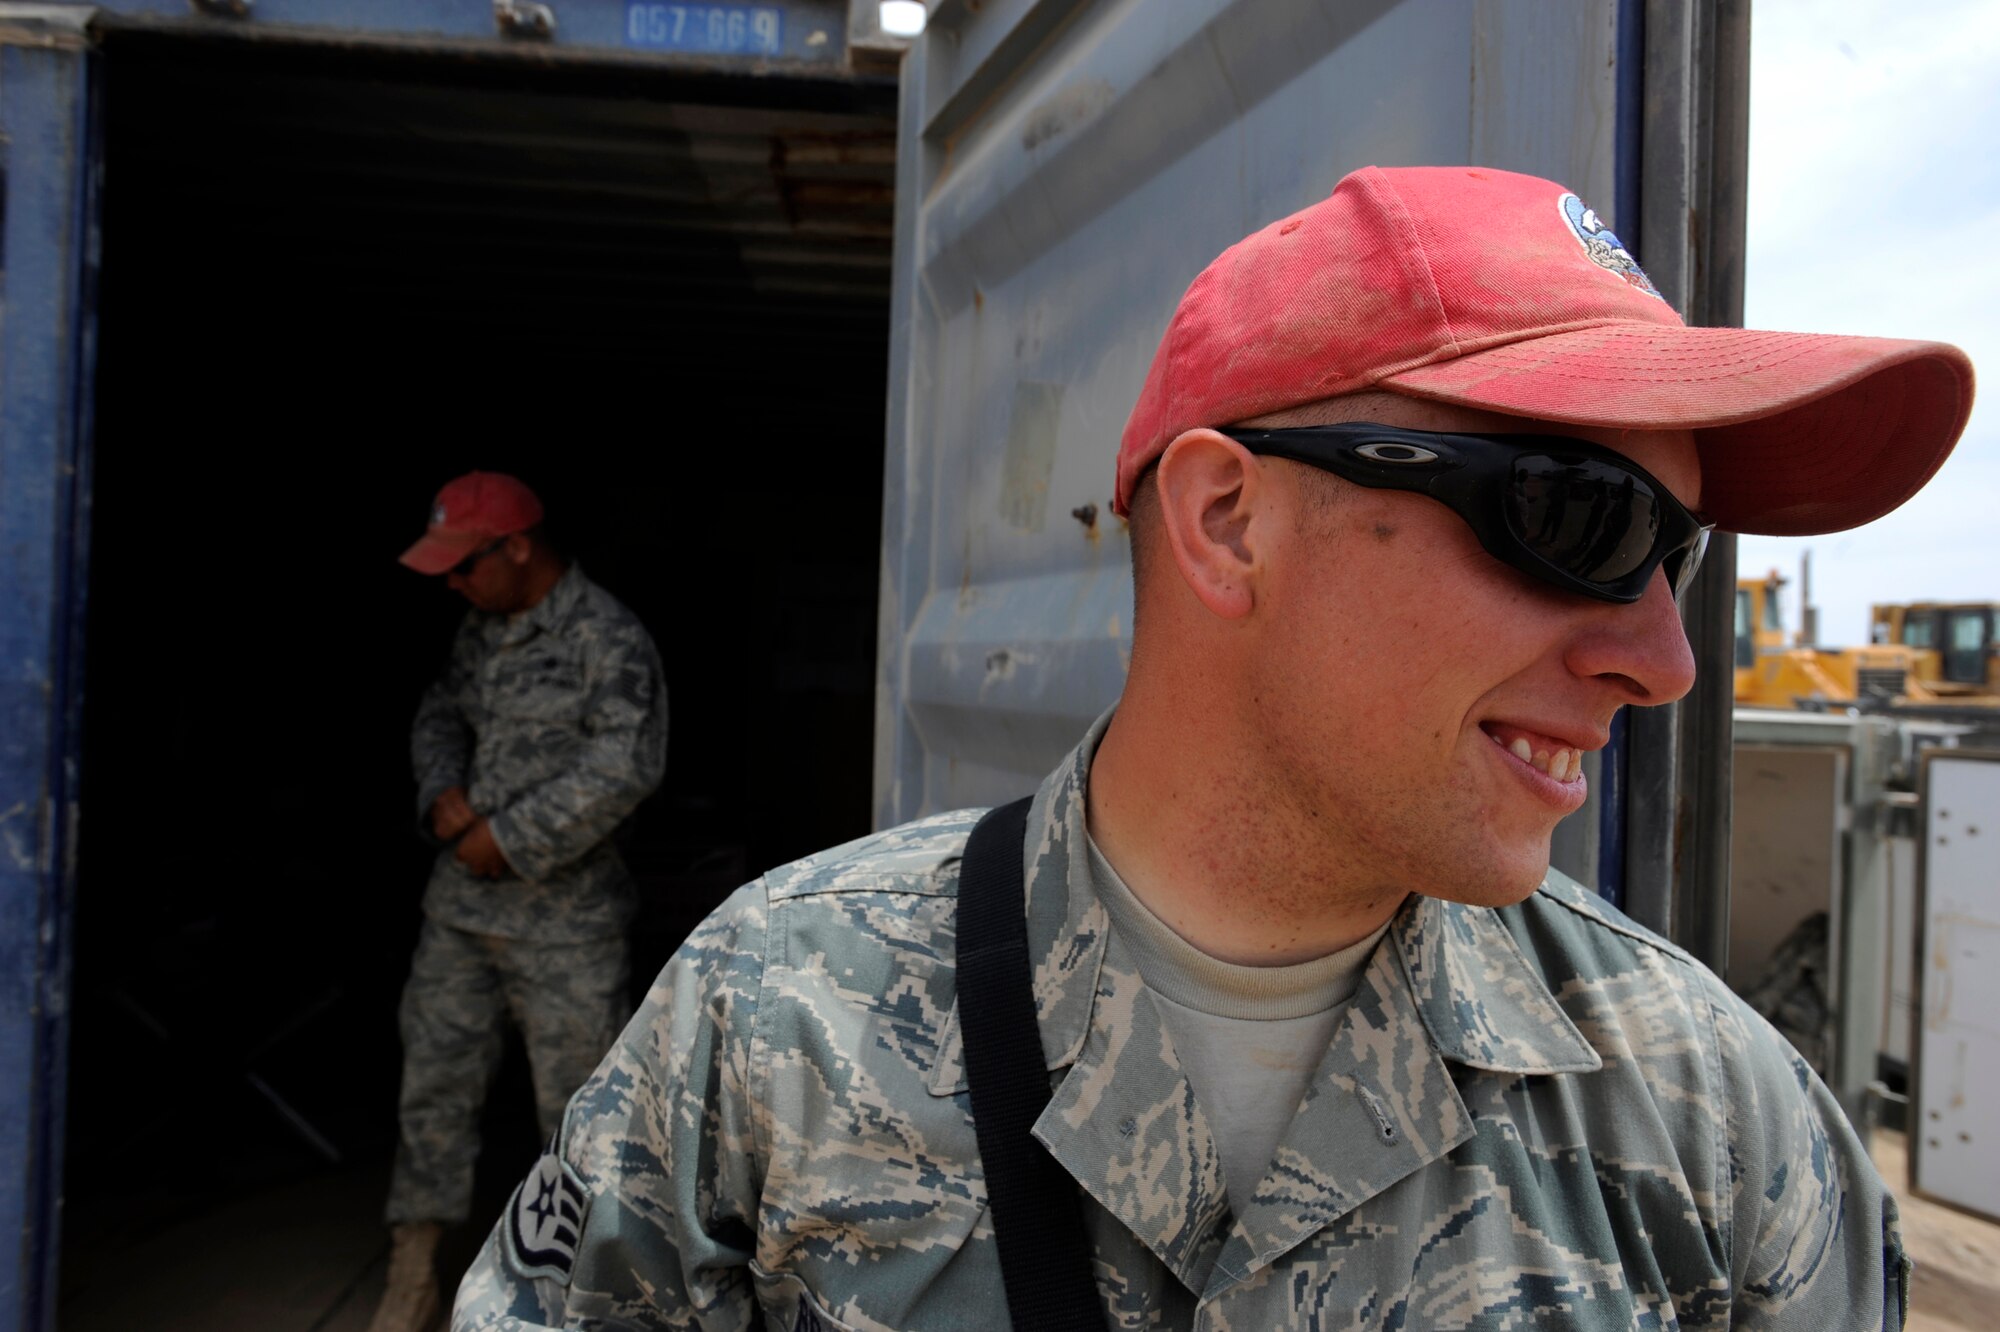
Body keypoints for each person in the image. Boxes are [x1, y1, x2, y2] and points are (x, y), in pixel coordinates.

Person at [453, 167, 1974, 1329]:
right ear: (1228, 521)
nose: (1664, 660)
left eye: (1678, 558)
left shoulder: (1715, 1118)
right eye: (1580, 521)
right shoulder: (773, 1021)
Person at [369, 471, 668, 1332]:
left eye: (464, 566)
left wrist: (507, 838)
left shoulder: (606, 637)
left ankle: (576, 1298)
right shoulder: (479, 630)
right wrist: (441, 792)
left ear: (518, 547)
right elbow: (438, 714)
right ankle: (412, 1276)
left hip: (567, 930)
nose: (453, 585)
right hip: (461, 918)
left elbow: (626, 765)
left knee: (579, 1124)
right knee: (432, 1093)